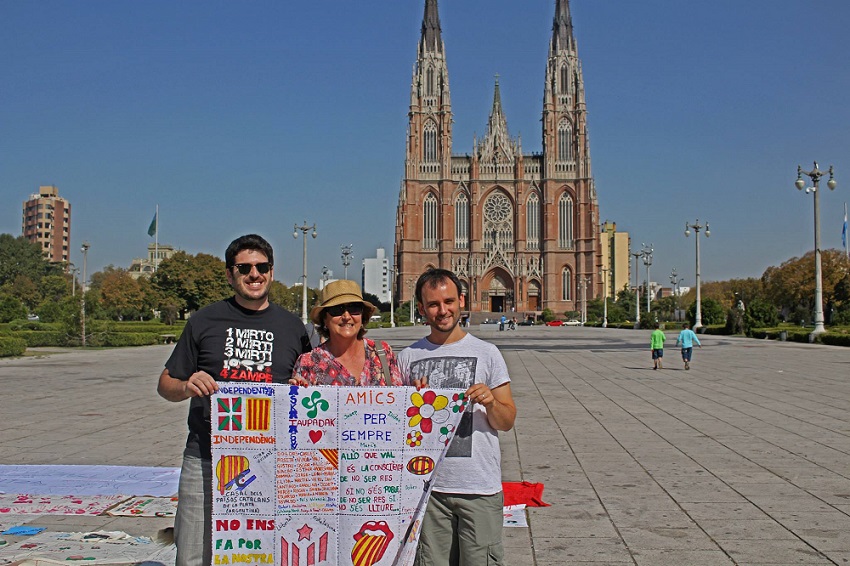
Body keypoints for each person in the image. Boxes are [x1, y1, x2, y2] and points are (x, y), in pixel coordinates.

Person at [157, 234, 311, 566]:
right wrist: (187, 386)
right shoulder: (204, 321)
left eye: (261, 267)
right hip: (207, 458)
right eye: (244, 268)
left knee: (259, 553)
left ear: (271, 272)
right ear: (230, 274)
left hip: (270, 462)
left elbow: (309, 385)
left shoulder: (293, 327)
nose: (254, 274)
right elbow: (165, 383)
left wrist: (302, 387)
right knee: (194, 554)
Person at [397, 268, 517, 566]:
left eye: (449, 301)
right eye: (434, 304)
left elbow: (506, 420)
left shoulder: (488, 353)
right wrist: (406, 403)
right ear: (422, 308)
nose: (443, 310)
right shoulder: (407, 357)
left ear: (461, 300)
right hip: (427, 491)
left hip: (478, 488)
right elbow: (394, 427)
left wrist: (491, 402)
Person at [289, 279, 405, 386]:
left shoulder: (382, 353)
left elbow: (399, 401)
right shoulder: (309, 363)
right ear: (324, 319)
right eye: (337, 309)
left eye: (354, 308)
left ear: (362, 316)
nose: (346, 316)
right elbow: (298, 406)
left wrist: (419, 390)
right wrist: (297, 393)